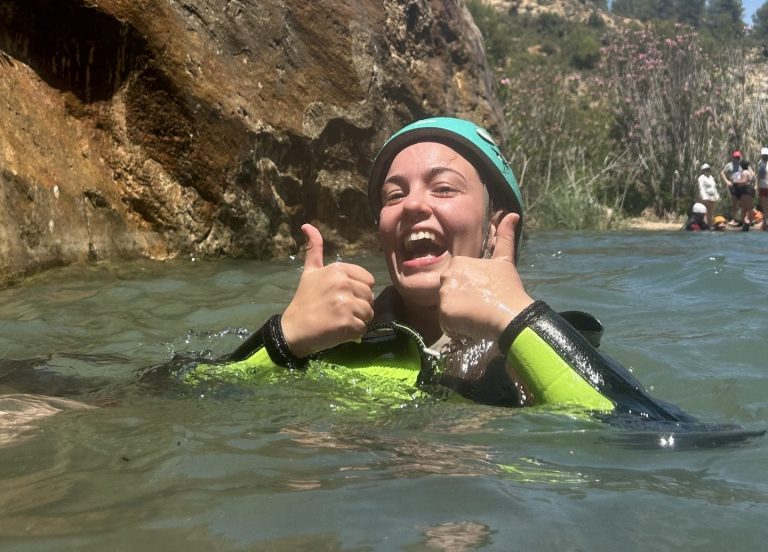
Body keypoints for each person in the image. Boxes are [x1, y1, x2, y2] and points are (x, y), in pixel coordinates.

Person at [192, 117, 701, 426]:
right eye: (395, 195)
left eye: (443, 188)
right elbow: (173, 401)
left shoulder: (551, 346)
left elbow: (658, 438)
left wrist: (519, 320)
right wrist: (284, 339)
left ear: (497, 229)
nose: (412, 206)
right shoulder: (329, 343)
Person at [732, 159, 755, 228]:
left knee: (747, 207)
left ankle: (751, 221)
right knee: (744, 207)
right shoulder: (749, 172)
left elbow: (744, 181)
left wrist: (736, 181)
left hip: (746, 190)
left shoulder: (744, 172)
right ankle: (743, 221)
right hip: (745, 190)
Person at [721, 150, 743, 222]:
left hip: (741, 185)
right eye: (735, 157)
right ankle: (734, 218)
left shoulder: (741, 165)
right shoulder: (729, 165)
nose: (737, 159)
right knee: (734, 202)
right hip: (733, 185)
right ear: (733, 157)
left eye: (738, 157)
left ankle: (741, 218)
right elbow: (722, 173)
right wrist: (727, 181)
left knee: (742, 202)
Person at [757, 148, 768, 219]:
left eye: (766, 155)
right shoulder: (760, 163)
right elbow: (759, 175)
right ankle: (766, 219)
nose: (765, 156)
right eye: (764, 155)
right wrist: (757, 185)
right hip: (762, 186)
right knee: (764, 204)